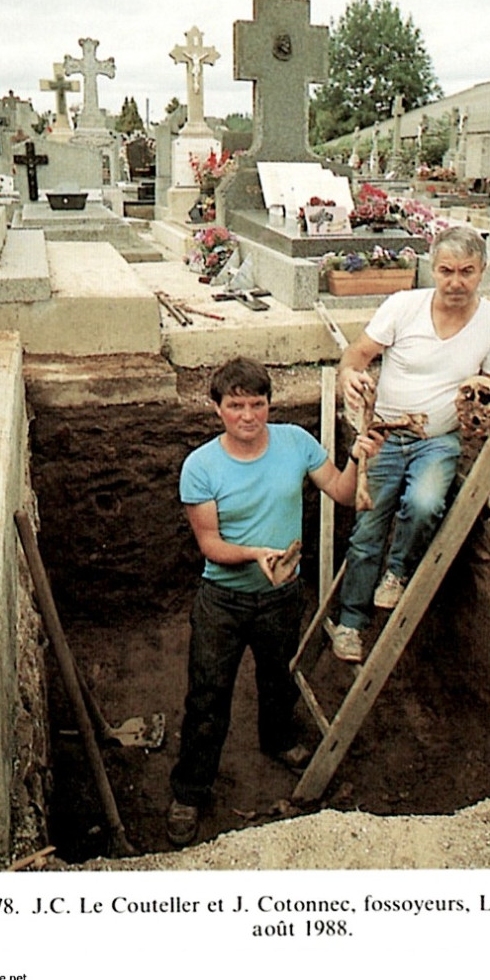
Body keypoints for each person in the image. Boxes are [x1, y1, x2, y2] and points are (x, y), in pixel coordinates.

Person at [167, 356, 382, 847]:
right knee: (207, 697)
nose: (248, 416)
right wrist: (256, 555)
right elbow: (210, 546)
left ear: (269, 404)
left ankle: (279, 741)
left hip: (282, 597)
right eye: (236, 406)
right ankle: (190, 789)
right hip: (223, 601)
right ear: (217, 408)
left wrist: (360, 455)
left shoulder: (295, 443)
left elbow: (345, 494)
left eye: (257, 404)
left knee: (278, 679)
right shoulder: (200, 466)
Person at [332, 224, 490, 664]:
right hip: (386, 437)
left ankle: (396, 573)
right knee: (367, 532)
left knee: (426, 502)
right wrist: (350, 377)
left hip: (437, 440)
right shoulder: (402, 307)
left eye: (466, 272)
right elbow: (356, 356)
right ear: (431, 269)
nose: (455, 282)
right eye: (446, 270)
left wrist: (485, 398)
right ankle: (350, 623)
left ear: (482, 272)